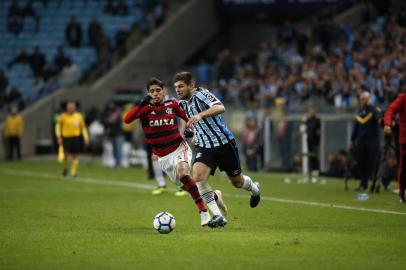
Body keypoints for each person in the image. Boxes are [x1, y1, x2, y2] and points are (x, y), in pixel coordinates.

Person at [124, 78, 218, 227]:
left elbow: (188, 118)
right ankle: (212, 196)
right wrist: (141, 103)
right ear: (148, 93)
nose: (155, 94)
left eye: (158, 90)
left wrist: (190, 130)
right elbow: (127, 119)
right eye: (151, 91)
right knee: (185, 186)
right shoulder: (145, 109)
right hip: (163, 157)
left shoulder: (172, 104)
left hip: (179, 147)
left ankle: (204, 213)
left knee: (183, 174)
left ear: (163, 91)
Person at [174, 71, 260, 228]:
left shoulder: (201, 94)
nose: (178, 90)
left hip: (224, 143)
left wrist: (201, 115)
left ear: (191, 86)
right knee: (198, 177)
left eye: (181, 86)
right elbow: (195, 124)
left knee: (237, 182)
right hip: (204, 146)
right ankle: (218, 216)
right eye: (176, 87)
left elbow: (220, 107)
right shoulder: (182, 104)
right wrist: (193, 133)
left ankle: (254, 189)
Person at [349, 91, 381, 191]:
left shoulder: (374, 110)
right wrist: (352, 139)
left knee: (374, 162)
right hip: (361, 141)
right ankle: (363, 184)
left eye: (365, 99)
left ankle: (376, 183)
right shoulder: (359, 112)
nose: (363, 101)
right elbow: (356, 127)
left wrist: (371, 106)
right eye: (362, 99)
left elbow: (379, 117)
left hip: (372, 140)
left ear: (369, 99)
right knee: (362, 163)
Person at [55, 101, 89, 177]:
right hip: (66, 138)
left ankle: (73, 172)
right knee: (65, 155)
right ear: (67, 108)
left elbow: (83, 128)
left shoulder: (79, 116)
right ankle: (65, 168)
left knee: (75, 155)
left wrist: (86, 137)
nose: (71, 108)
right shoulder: (63, 116)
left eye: (72, 107)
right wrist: (59, 136)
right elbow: (58, 127)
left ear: (75, 108)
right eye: (70, 107)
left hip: (75, 138)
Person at [384, 91, 406, 203]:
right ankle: (402, 192)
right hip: (405, 139)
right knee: (403, 168)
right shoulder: (403, 98)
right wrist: (387, 123)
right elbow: (390, 109)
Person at [305, 107, 321, 176]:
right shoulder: (307, 120)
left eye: (312, 111)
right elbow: (304, 128)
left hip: (315, 141)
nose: (311, 113)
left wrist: (317, 138)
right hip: (309, 140)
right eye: (310, 111)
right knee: (310, 156)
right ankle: (310, 170)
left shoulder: (317, 120)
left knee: (315, 155)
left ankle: (316, 170)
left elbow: (318, 131)